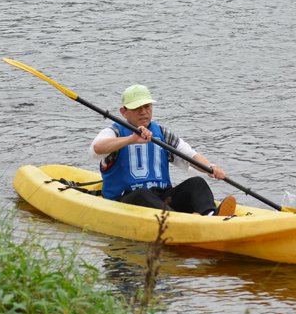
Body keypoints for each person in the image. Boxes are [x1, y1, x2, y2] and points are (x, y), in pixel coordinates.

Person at [88, 84, 237, 216]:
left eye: (147, 106)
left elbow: (191, 156)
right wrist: (131, 139)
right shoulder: (115, 132)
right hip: (125, 201)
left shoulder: (162, 134)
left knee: (196, 183)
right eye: (136, 108)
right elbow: (96, 149)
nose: (143, 112)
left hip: (160, 197)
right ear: (124, 112)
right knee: (142, 194)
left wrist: (210, 168)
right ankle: (181, 221)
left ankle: (209, 215)